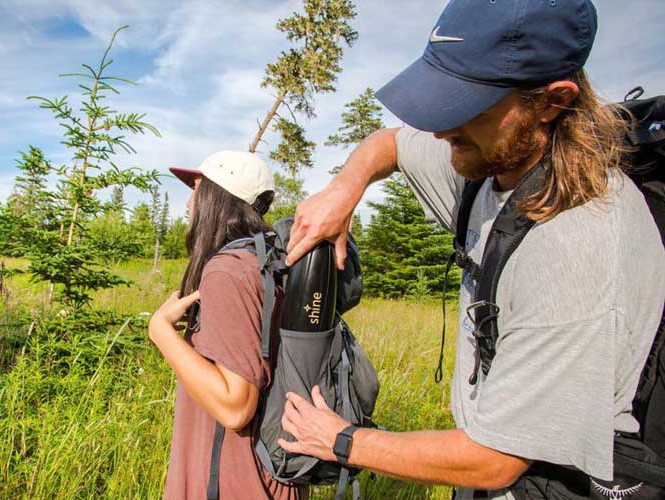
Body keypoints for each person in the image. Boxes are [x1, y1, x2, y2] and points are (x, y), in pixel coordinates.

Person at [277, 1, 665, 499]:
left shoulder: (580, 248)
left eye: (465, 107)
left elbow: (494, 461)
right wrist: (343, 190)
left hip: (548, 482)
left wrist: (342, 440)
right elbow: (389, 144)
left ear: (552, 101)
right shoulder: (488, 157)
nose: (440, 131)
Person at [149, 151, 307, 500]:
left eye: (197, 189)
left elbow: (235, 407)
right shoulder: (265, 263)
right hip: (265, 473)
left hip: (234, 480)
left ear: (215, 199)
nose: (190, 202)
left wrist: (160, 331)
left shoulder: (227, 272)